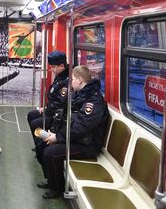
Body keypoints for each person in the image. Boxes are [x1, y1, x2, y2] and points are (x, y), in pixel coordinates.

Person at [35, 65, 109, 199]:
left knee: (50, 153)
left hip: (88, 144)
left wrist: (58, 137)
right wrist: (55, 131)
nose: (71, 82)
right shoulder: (79, 95)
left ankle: (56, 188)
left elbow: (82, 127)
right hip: (77, 138)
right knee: (42, 147)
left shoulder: (93, 101)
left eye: (73, 79)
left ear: (80, 80)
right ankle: (51, 180)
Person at [27, 50, 69, 148]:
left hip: (59, 115)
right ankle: (39, 144)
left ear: (62, 66)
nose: (52, 69)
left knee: (35, 123)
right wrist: (46, 107)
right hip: (52, 110)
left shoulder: (66, 81)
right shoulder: (60, 76)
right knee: (31, 115)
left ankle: (42, 146)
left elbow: (61, 103)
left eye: (53, 67)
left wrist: (47, 109)